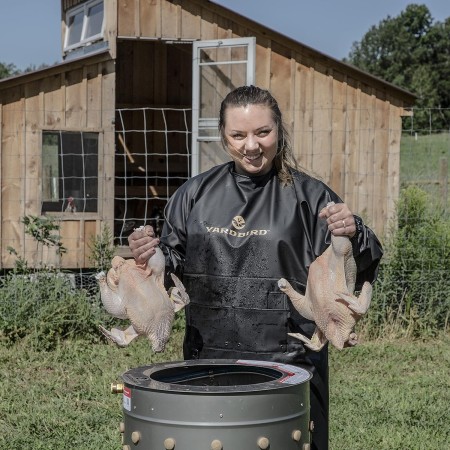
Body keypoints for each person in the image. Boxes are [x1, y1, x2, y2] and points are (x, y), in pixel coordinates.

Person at [128, 85, 383, 450]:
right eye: (239, 135)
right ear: (223, 136)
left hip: (292, 365)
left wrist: (354, 231)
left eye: (263, 132)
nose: (252, 145)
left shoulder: (312, 197)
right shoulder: (194, 194)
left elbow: (357, 264)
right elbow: (172, 266)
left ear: (278, 130)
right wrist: (150, 257)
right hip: (207, 361)